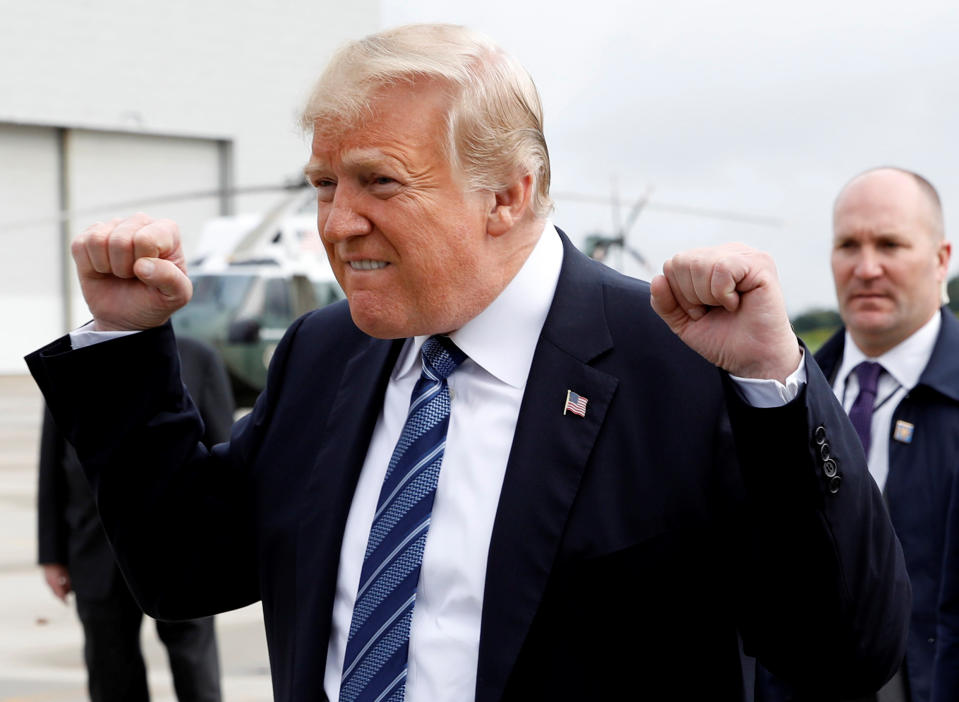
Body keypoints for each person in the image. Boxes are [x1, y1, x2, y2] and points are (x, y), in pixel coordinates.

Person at [26, 24, 909, 702]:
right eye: (323, 184)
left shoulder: (678, 361)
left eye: (379, 182)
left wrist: (774, 393)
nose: (336, 223)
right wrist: (128, 344)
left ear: (507, 194)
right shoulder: (325, 352)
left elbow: (840, 650)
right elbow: (186, 570)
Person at [758, 167, 959, 702]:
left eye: (890, 244)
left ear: (942, 259)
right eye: (849, 244)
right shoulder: (780, 397)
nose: (866, 268)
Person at [37, 334, 233, 702]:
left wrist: (224, 544)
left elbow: (225, 460)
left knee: (195, 668)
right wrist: (52, 553)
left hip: (182, 550)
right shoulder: (73, 359)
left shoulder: (199, 357)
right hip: (95, 551)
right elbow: (52, 464)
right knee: (110, 669)